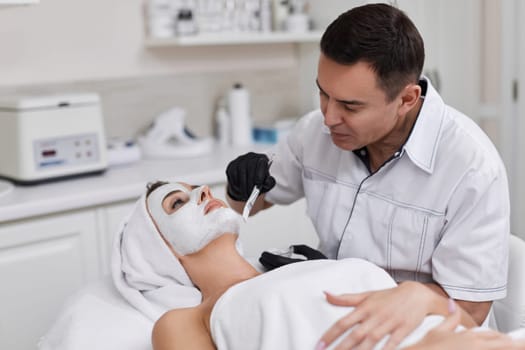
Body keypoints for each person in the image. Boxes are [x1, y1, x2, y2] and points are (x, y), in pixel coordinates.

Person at [225, 3, 510, 350]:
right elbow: (255, 202)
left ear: (406, 98)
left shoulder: (471, 168)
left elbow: (470, 311)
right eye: (323, 93)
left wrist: (417, 297)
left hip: (425, 335)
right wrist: (240, 186)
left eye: (350, 106)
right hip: (334, 320)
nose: (329, 117)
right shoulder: (314, 133)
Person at [143, 181, 524, 350]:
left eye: (197, 187)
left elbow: (463, 318)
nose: (202, 192)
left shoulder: (299, 264)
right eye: (176, 203)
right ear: (158, 248)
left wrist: (423, 297)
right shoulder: (186, 321)